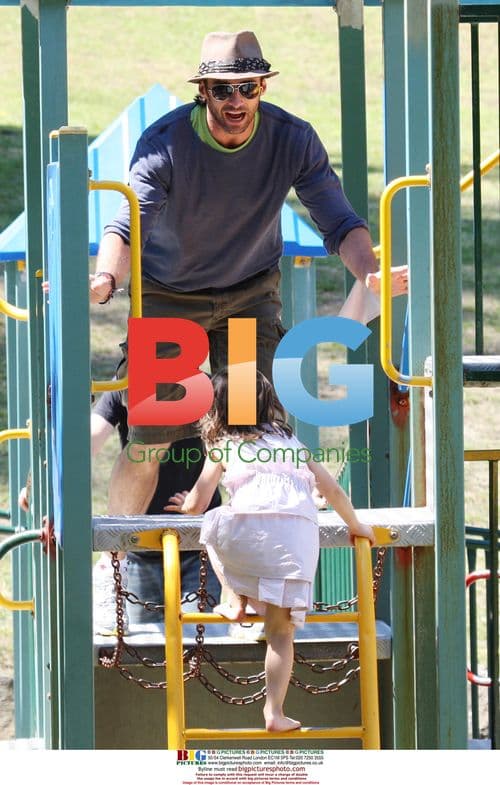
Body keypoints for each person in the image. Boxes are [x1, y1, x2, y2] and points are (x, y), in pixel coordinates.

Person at [88, 29, 408, 522]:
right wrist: (106, 279)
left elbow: (340, 221)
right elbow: (128, 225)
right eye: (222, 89)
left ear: (263, 88)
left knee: (251, 431)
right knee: (151, 437)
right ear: (203, 91)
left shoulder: (292, 139)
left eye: (248, 87)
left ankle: (249, 570)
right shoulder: (165, 145)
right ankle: (121, 557)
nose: (236, 100)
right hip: (169, 295)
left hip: (248, 294)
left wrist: (369, 275)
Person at [166, 370, 375, 732]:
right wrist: (357, 526)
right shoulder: (292, 441)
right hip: (297, 544)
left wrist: (186, 505)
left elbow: (199, 503)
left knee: (215, 526)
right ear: (268, 403)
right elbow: (335, 492)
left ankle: (236, 600)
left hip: (248, 538)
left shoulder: (224, 445)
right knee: (280, 635)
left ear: (217, 409)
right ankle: (274, 712)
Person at [89, 391, 222, 633]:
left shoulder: (203, 390)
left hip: (198, 545)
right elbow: (89, 441)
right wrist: (43, 482)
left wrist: (197, 498)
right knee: (139, 647)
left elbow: (233, 448)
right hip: (141, 549)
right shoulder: (123, 389)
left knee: (201, 643)